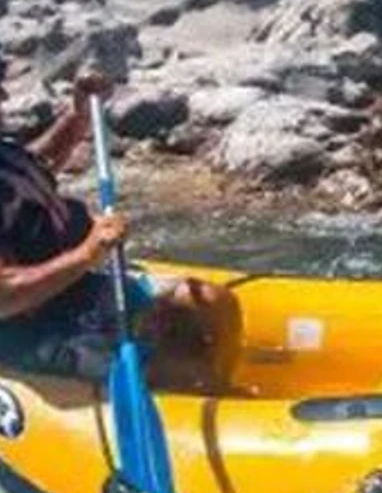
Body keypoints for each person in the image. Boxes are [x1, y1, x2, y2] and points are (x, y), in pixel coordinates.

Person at [0, 61, 234, 386]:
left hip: (75, 289)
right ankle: (189, 394)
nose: (3, 93)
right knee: (177, 370)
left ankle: (218, 389)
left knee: (209, 301)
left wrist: (78, 116)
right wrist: (86, 254)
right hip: (24, 329)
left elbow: (37, 164)